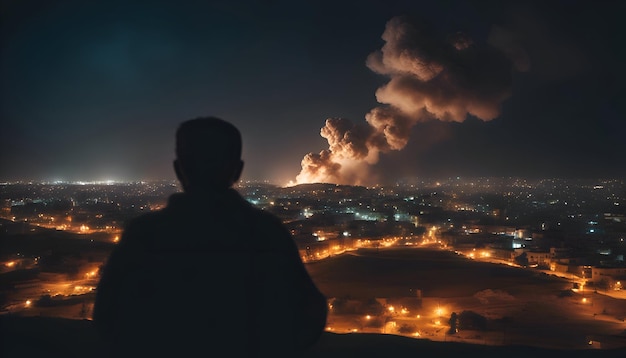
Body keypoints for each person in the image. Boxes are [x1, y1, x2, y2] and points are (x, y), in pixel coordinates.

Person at [93, 117, 328, 357]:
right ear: (237, 170)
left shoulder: (144, 233)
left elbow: (108, 319)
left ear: (178, 168)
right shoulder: (266, 232)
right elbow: (309, 315)